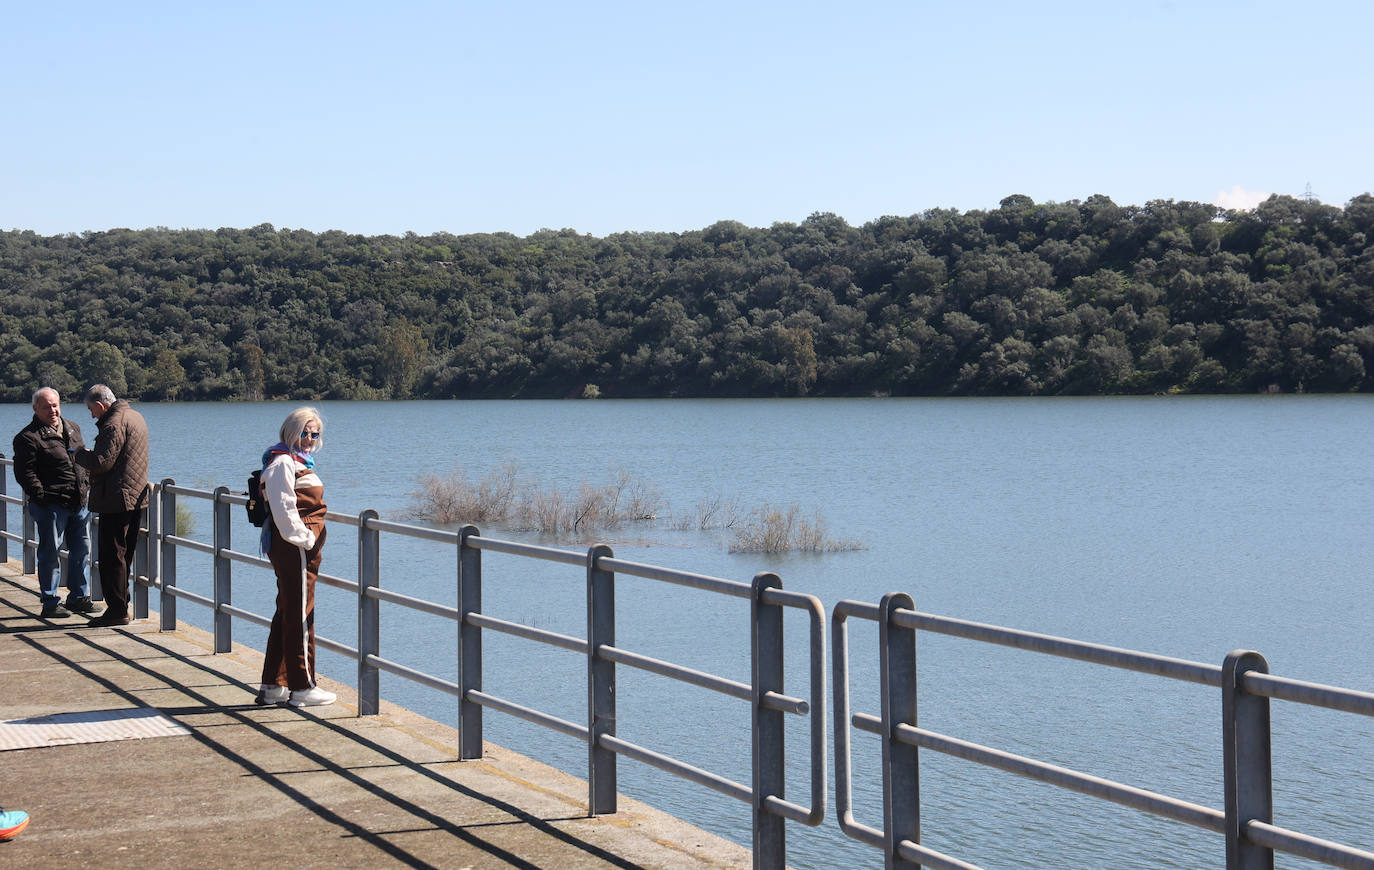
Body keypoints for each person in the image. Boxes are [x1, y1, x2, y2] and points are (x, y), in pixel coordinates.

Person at [256, 407, 335, 708]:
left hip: (295, 550)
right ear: (291, 431)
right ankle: (303, 686)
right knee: (301, 614)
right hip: (295, 550)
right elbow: (283, 507)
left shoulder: (294, 461)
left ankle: (274, 684)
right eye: (305, 432)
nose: (310, 439)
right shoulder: (283, 462)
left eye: (315, 434)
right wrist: (306, 539)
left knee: (287, 612)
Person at [11, 388, 96, 619]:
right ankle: (50, 602)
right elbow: (25, 473)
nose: (53, 410)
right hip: (51, 506)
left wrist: (86, 486)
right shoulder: (27, 437)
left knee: (82, 550)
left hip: (78, 501)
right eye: (47, 406)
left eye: (56, 405)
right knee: (50, 552)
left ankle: (79, 597)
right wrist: (42, 497)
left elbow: (82, 458)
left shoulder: (73, 428)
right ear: (35, 408)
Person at [73, 384, 149, 628]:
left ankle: (117, 609)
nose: (92, 415)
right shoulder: (135, 416)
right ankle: (121, 605)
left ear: (100, 405)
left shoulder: (113, 423)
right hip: (135, 496)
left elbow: (101, 461)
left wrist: (78, 454)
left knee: (111, 555)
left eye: (91, 409)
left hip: (115, 498)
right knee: (125, 554)